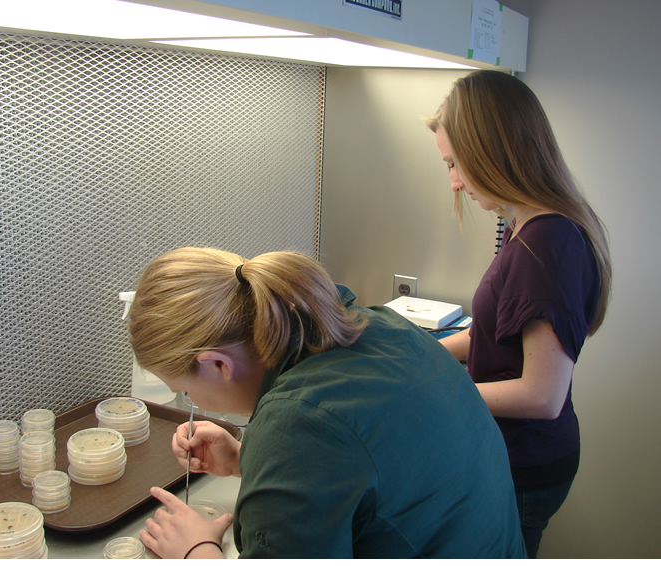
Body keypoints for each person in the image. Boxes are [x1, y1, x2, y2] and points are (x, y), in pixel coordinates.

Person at [128, 246, 526, 559]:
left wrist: (196, 550)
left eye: (185, 390)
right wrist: (244, 460)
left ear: (216, 363)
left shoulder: (297, 422)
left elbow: (316, 434)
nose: (190, 401)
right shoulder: (381, 327)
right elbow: (362, 457)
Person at [427, 70, 612, 558]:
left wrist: (429, 389)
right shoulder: (526, 225)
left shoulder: (546, 244)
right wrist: (422, 352)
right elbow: (495, 332)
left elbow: (541, 394)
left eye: (455, 164)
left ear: (493, 150)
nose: (454, 182)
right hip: (517, 454)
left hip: (524, 466)